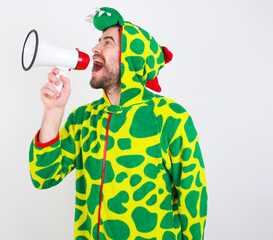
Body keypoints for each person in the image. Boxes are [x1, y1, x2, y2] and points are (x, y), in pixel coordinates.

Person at [29, 7, 207, 240]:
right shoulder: (83, 119)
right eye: (98, 41)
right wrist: (53, 111)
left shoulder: (171, 118)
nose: (95, 48)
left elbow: (193, 201)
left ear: (131, 56)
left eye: (108, 42)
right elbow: (43, 176)